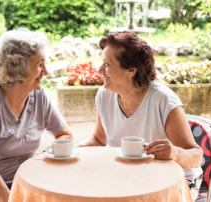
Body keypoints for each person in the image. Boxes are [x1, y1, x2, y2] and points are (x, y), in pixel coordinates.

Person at [80, 31, 203, 201]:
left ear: (131, 70)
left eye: (107, 64)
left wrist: (175, 153)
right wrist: (71, 151)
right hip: (129, 178)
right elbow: (98, 139)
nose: (100, 70)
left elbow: (196, 156)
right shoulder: (104, 96)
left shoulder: (164, 101)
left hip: (175, 182)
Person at [0, 28, 73, 202]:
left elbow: (65, 134)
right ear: (18, 69)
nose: (46, 71)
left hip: (27, 180)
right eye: (39, 64)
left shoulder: (39, 96)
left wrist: (45, 159)